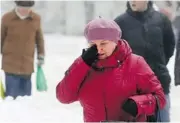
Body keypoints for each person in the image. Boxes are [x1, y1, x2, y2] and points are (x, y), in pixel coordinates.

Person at [56, 18, 166, 122]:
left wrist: (139, 104)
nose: (99, 49)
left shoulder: (136, 63)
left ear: (115, 41)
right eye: (93, 44)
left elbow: (160, 98)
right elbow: (63, 97)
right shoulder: (84, 67)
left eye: (103, 43)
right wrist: (82, 64)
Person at [114, 1, 175, 122]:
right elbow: (115, 53)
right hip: (131, 88)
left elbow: (169, 47)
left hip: (159, 82)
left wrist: (158, 65)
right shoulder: (119, 23)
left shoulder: (162, 20)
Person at [1, 0, 45, 100]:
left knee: (25, 98)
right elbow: (1, 38)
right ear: (17, 6)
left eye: (28, 9)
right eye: (22, 8)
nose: (25, 11)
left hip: (27, 63)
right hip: (10, 63)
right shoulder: (7, 18)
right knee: (11, 96)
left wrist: (41, 55)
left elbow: (39, 39)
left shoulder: (36, 19)